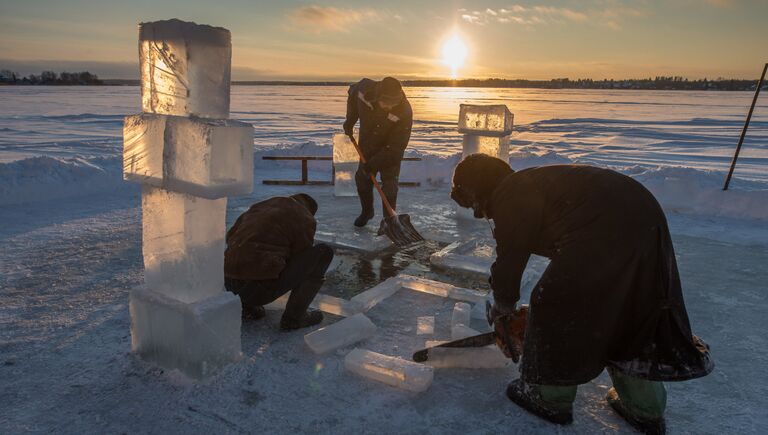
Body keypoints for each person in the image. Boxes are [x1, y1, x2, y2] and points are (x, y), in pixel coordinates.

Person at [450, 154, 713, 434]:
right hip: (645, 222)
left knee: (553, 303)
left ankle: (550, 398)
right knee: (629, 312)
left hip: (607, 231)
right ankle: (645, 408)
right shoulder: (534, 182)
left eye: (475, 204)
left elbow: (510, 260)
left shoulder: (510, 192)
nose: (482, 213)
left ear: (480, 188)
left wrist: (503, 307)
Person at [224, 193, 334, 331]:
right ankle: (294, 318)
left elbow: (230, 237)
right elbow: (301, 257)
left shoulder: (260, 207)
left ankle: (247, 306)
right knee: (323, 253)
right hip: (257, 290)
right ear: (310, 210)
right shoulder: (304, 216)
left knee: (251, 254)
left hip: (229, 288)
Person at [343, 76, 413, 227]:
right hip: (367, 144)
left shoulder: (404, 111)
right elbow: (352, 95)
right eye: (387, 103)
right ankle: (367, 212)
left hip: (390, 151)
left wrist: (374, 164)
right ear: (378, 96)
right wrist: (350, 121)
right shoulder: (364, 90)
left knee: (390, 184)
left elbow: (397, 147)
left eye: (394, 104)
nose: (390, 107)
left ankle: (389, 221)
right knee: (362, 179)